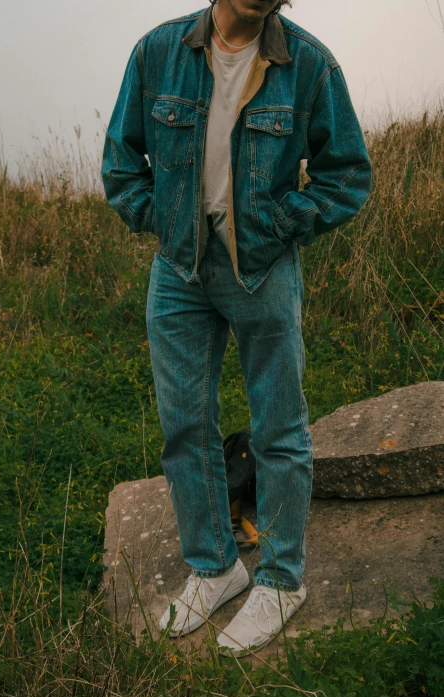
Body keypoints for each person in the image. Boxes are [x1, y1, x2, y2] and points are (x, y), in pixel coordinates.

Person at [101, 0, 372, 656]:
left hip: (261, 270)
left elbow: (347, 176)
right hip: (178, 270)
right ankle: (216, 566)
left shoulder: (308, 64)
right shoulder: (157, 53)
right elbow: (120, 163)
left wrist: (279, 225)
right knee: (184, 424)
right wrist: (163, 221)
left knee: (279, 426)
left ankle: (281, 579)